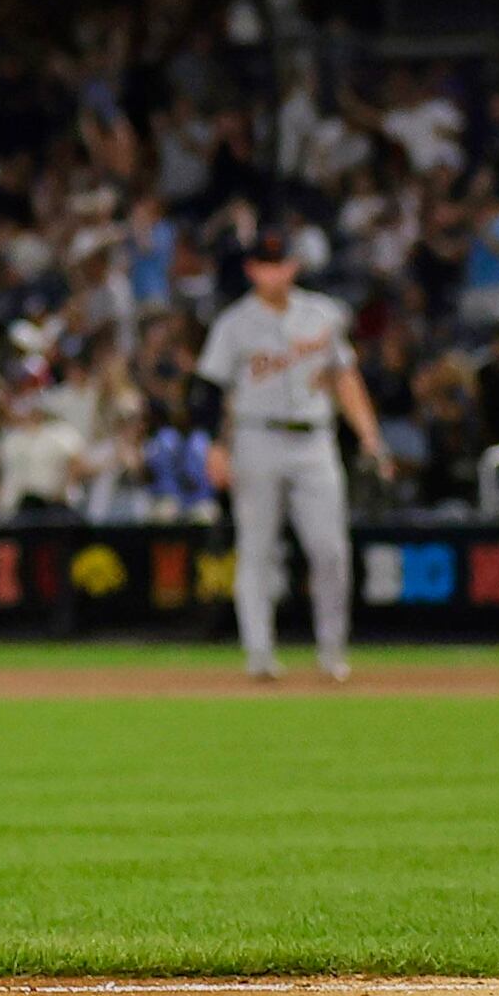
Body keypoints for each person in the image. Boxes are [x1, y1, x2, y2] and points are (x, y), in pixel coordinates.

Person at [198, 224, 383, 684]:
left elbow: (345, 378)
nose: (274, 272)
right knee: (256, 549)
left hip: (314, 439)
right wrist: (216, 448)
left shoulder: (322, 315)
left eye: (281, 263)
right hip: (255, 438)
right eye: (265, 264)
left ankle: (332, 652)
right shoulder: (234, 323)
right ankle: (259, 655)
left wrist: (369, 434)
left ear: (294, 267)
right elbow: (210, 392)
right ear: (251, 270)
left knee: (330, 550)